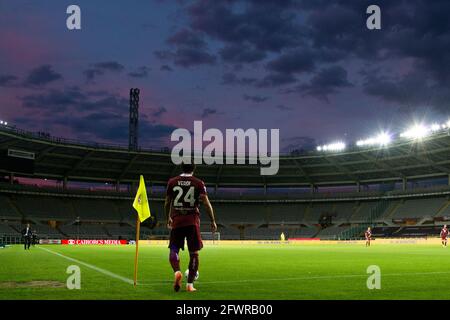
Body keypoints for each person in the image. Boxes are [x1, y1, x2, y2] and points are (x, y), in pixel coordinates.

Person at [165, 162, 217, 292]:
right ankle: (189, 285)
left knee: (174, 249)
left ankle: (177, 271)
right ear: (194, 169)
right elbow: (206, 203)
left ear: (181, 168)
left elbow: (167, 202)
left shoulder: (172, 182)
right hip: (192, 221)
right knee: (194, 253)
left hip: (177, 220)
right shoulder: (198, 183)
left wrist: (168, 218)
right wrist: (213, 220)